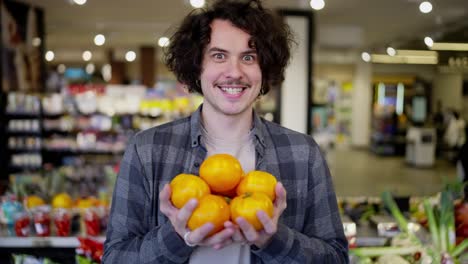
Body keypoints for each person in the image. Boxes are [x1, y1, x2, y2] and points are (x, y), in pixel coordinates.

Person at [103, 0, 348, 263]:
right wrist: (176, 236)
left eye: (249, 57)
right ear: (197, 66)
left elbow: (335, 257)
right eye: (219, 56)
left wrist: (273, 241)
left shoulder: (303, 153)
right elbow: (116, 257)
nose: (234, 72)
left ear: (264, 69)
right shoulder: (148, 149)